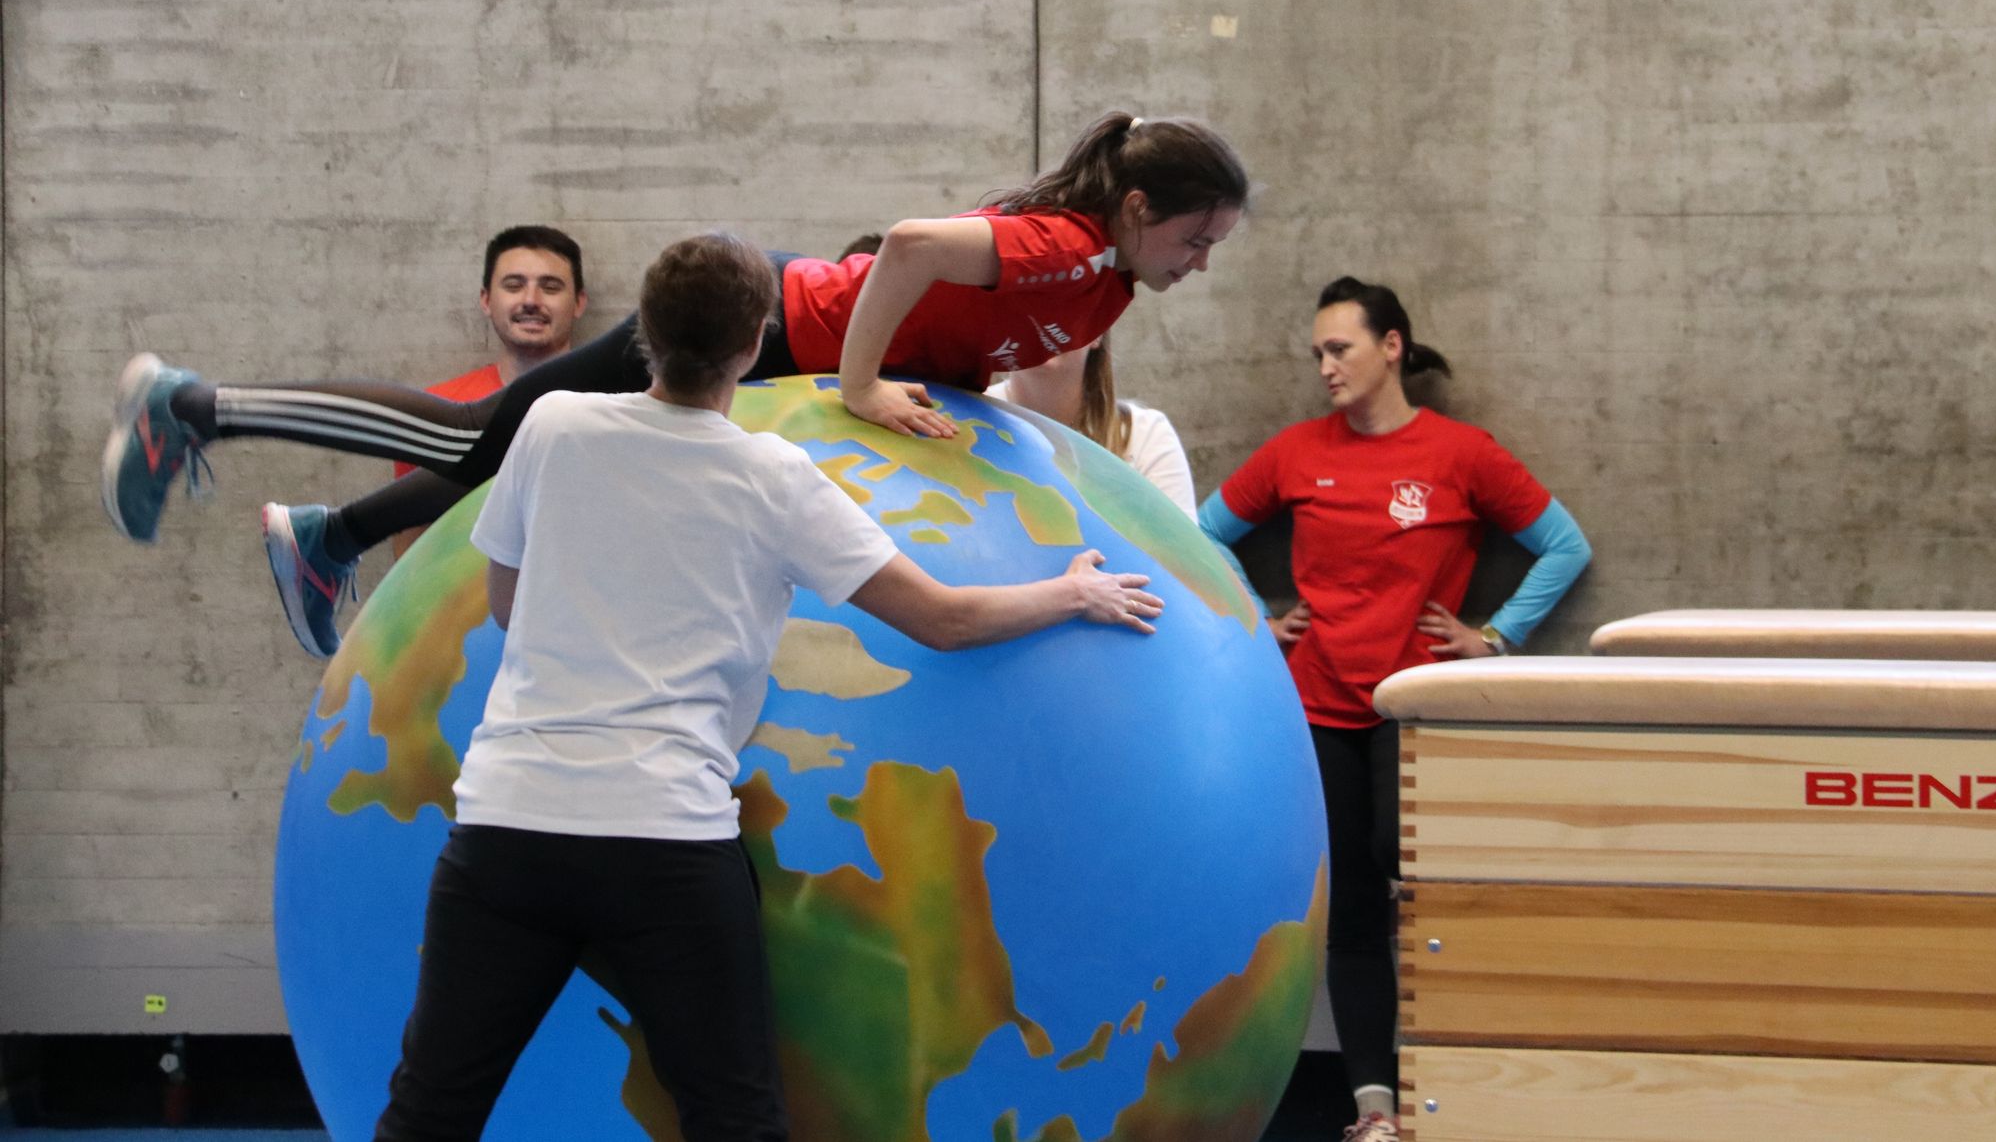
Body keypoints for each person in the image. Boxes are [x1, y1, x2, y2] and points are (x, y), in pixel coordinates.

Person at [372, 232, 1162, 1142]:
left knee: (429, 1109)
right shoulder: (773, 475)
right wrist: (1072, 592)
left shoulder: (551, 425)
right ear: (755, 344)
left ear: (644, 334)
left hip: (509, 826)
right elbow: (942, 619)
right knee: (733, 1118)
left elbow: (509, 607)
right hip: (665, 840)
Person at [99, 111, 1247, 658]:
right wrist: (859, 386)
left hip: (788, 335)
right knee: (475, 436)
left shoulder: (1109, 286)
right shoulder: (1064, 247)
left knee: (498, 446)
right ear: (1136, 208)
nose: (1198, 264)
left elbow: (956, 327)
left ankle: (330, 535)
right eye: (1194, 240)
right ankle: (196, 408)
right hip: (768, 324)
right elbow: (906, 246)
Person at [1196, 277, 1591, 1142]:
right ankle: (1373, 1112)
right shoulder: (1296, 452)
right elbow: (1201, 534)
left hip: (1414, 708)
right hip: (1319, 707)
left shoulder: (1461, 453)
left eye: (1339, 349)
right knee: (1352, 911)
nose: (1326, 367)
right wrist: (1259, 618)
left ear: (1392, 347)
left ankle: (1465, 1086)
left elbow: (1564, 546)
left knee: (1402, 864)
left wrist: (1498, 637)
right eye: (1317, 354)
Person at [391, 226, 590, 556]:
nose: (531, 301)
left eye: (550, 287)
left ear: (579, 302)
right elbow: (411, 557)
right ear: (486, 300)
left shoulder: (614, 410)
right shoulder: (434, 412)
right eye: (513, 286)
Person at [988, 339, 1195, 515]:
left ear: (1098, 330)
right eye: (1025, 308)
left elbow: (1183, 550)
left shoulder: (1145, 436)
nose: (1043, 325)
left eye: (1063, 307)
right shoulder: (970, 416)